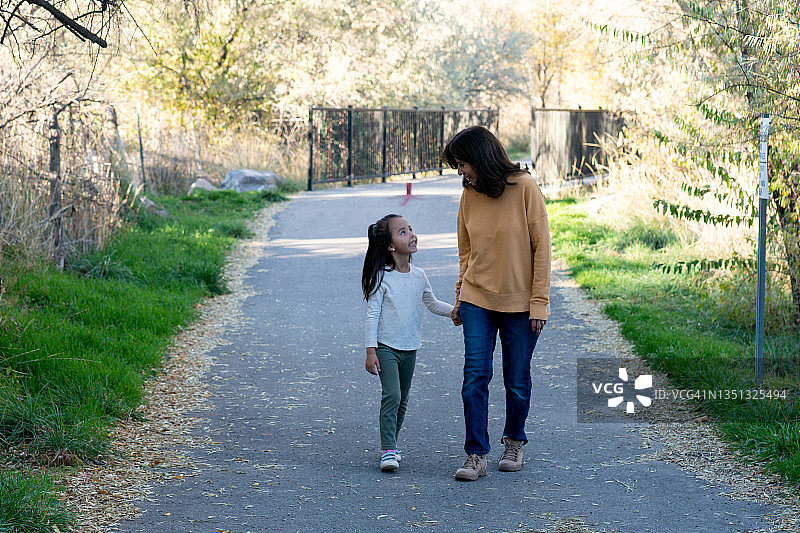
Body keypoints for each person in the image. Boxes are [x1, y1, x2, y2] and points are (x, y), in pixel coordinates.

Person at [442, 126, 551, 481]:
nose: (460, 173)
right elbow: (466, 252)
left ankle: (515, 440)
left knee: (516, 379)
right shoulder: (468, 196)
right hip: (477, 299)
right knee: (474, 377)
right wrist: (460, 295)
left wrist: (539, 302)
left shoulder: (525, 187)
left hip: (520, 304)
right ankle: (476, 454)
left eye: (462, 164)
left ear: (481, 158)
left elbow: (542, 249)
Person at [362, 214, 454, 472]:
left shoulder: (419, 275)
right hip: (386, 346)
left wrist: (455, 312)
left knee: (402, 399)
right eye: (402, 232)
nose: (411, 234)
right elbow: (372, 315)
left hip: (410, 347)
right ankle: (388, 449)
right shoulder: (382, 277)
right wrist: (371, 350)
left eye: (411, 229)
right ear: (390, 246)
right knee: (391, 395)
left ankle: (393, 443)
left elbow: (432, 303)